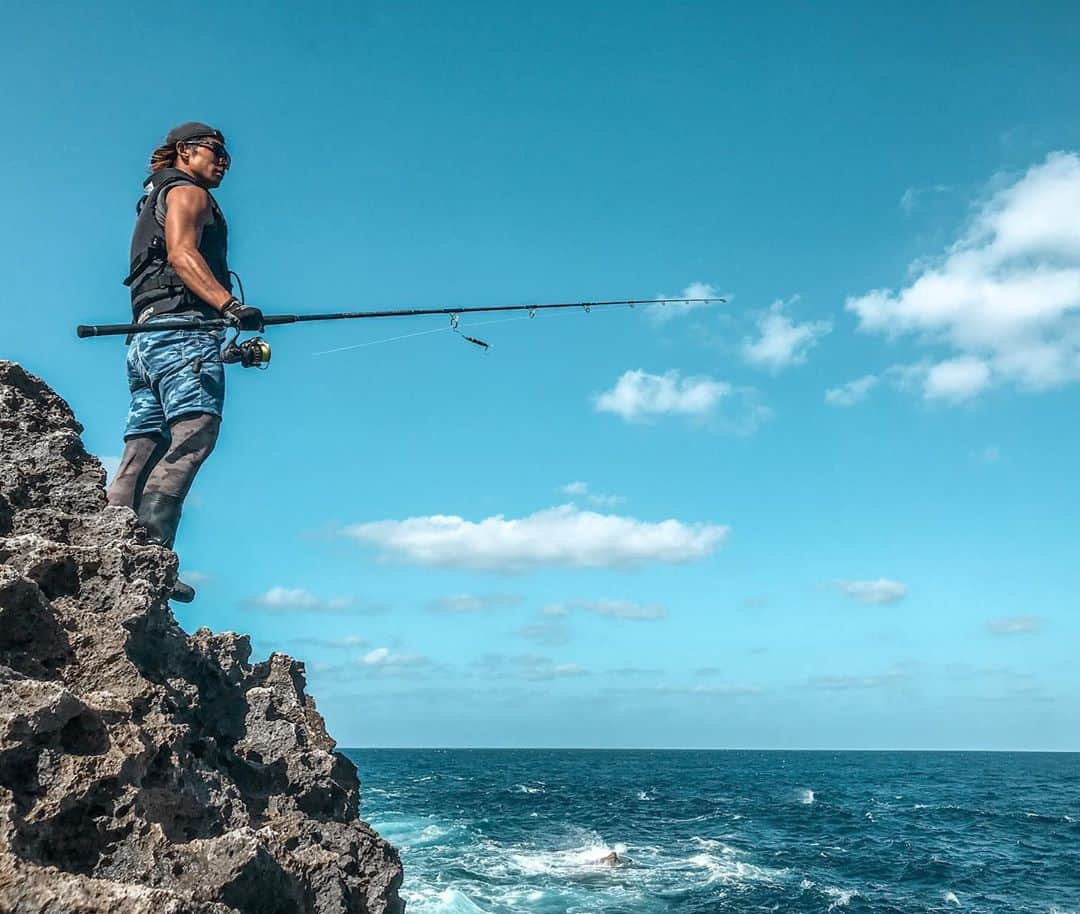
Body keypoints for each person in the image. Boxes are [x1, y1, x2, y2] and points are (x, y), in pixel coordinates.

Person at [106, 122, 263, 602]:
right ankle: (151, 559)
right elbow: (181, 254)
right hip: (182, 332)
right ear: (185, 152)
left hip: (144, 339)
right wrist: (229, 307)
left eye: (227, 156)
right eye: (215, 152)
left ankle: (107, 548)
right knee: (196, 432)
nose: (223, 162)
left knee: (144, 445)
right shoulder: (187, 193)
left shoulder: (152, 196)